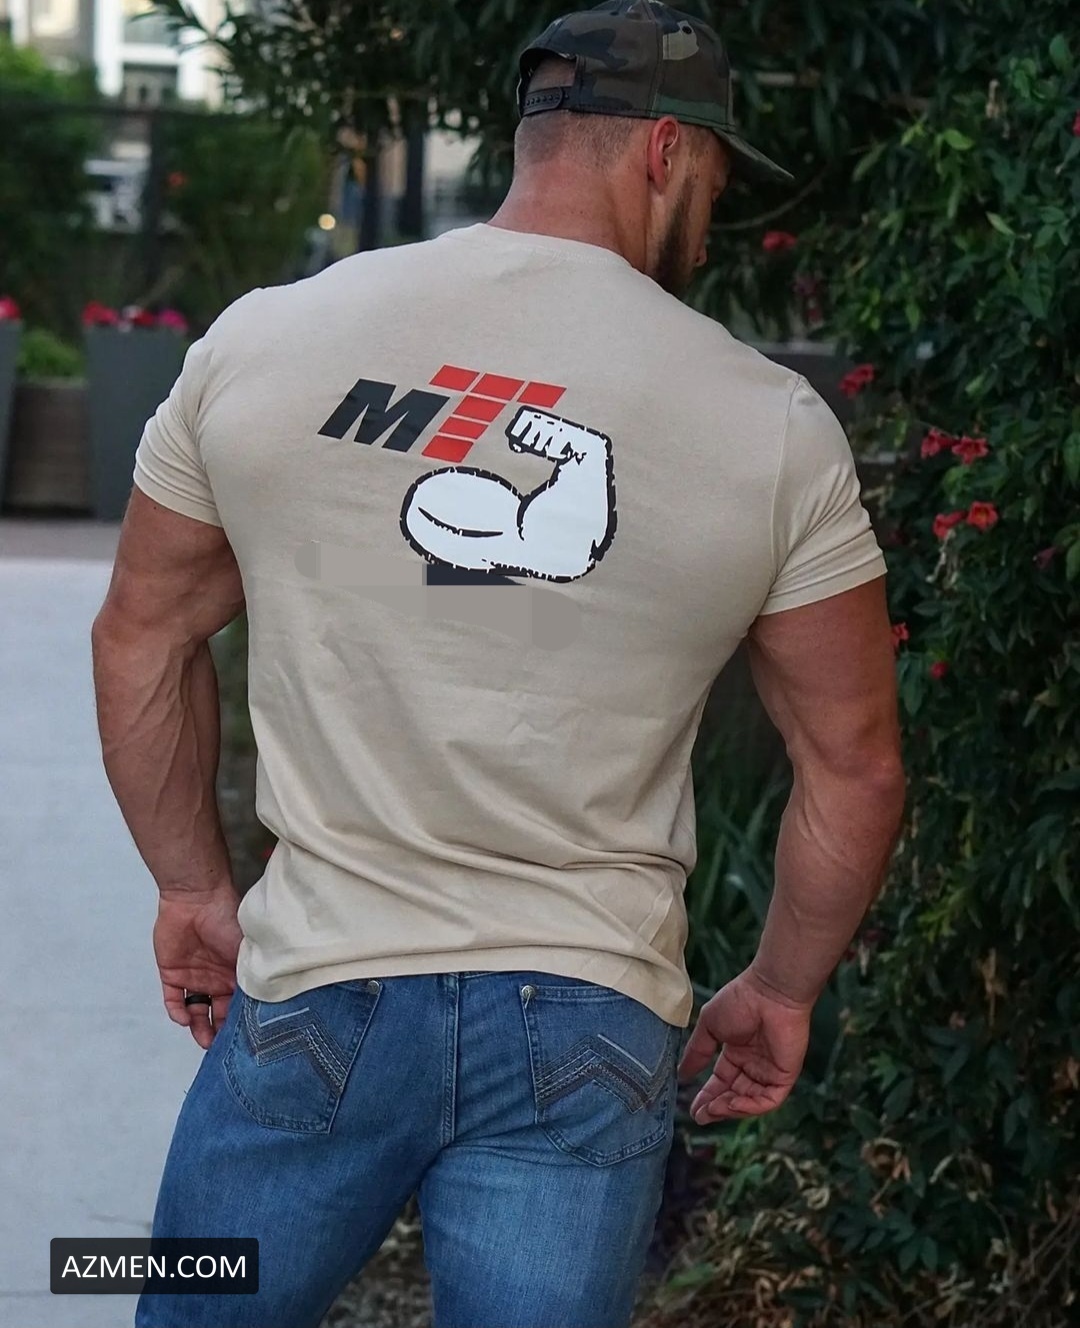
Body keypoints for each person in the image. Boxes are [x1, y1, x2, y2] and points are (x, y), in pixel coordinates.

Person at [90, 2, 905, 1326]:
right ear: (665, 152)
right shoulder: (771, 426)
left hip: (318, 989)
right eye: (713, 183)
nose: (711, 224)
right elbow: (854, 761)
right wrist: (779, 989)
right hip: (589, 1021)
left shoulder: (264, 341)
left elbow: (143, 631)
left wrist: (192, 888)